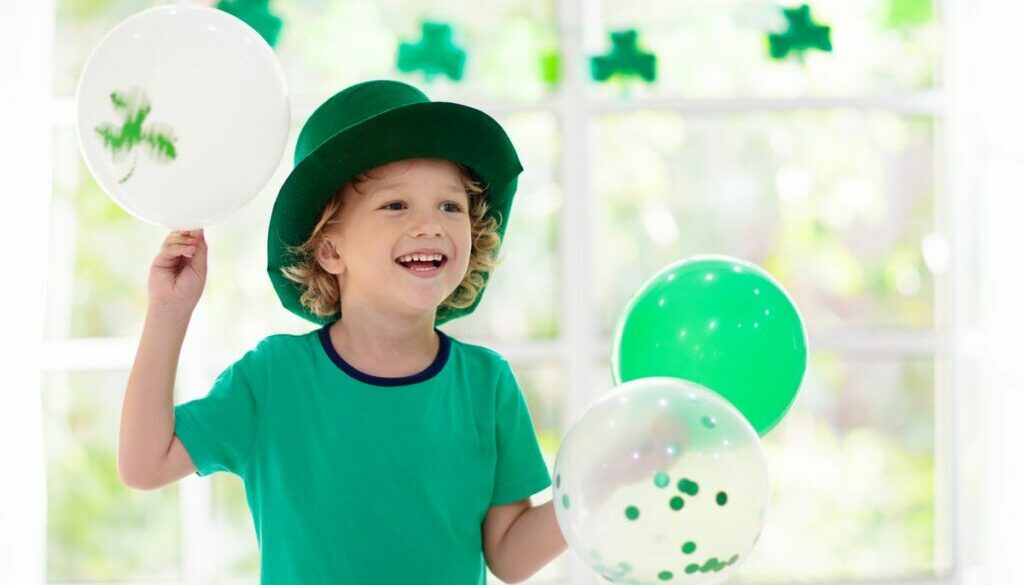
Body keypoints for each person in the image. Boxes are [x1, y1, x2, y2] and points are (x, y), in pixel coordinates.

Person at [118, 79, 568, 584]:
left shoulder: (486, 385)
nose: (431, 225)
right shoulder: (273, 379)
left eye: (451, 206)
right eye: (395, 205)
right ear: (329, 250)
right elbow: (144, 463)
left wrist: (594, 491)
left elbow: (509, 557)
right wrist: (169, 310)